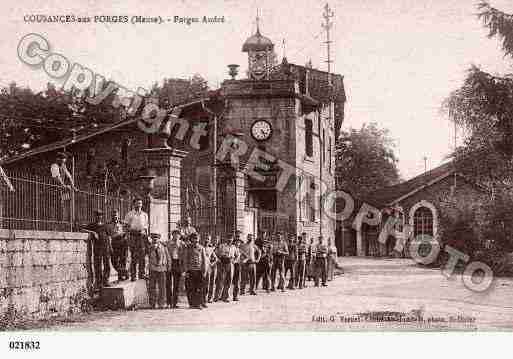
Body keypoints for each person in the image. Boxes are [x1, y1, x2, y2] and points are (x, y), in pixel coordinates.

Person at [82, 210, 111, 289]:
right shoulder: (92, 225)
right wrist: (93, 232)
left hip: (105, 247)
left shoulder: (105, 225)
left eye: (100, 215)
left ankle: (106, 280)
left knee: (107, 265)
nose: (99, 217)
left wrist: (110, 247)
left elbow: (109, 236)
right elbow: (82, 229)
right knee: (97, 265)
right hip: (97, 248)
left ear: (102, 216)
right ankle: (99, 282)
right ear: (95, 216)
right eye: (97, 215)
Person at [181, 233, 208, 309]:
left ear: (199, 239)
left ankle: (199, 303)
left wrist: (204, 271)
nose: (195, 240)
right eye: (194, 238)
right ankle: (192, 304)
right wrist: (186, 271)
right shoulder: (188, 248)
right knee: (190, 288)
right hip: (190, 270)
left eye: (197, 238)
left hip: (199, 270)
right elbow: (185, 260)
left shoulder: (201, 248)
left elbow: (204, 260)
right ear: (191, 239)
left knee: (199, 288)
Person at [124, 199, 149, 281]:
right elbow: (126, 227)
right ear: (134, 204)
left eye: (140, 203)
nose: (139, 205)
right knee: (134, 256)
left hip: (142, 237)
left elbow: (146, 227)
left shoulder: (145, 214)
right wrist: (132, 231)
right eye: (137, 203)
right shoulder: (129, 214)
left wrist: (147, 237)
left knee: (142, 256)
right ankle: (133, 275)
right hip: (133, 236)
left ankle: (142, 274)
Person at [50, 152, 77, 223]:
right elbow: (57, 177)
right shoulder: (54, 166)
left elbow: (69, 176)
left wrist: (73, 186)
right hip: (55, 188)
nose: (63, 163)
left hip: (61, 189)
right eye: (61, 161)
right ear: (58, 159)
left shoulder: (63, 166)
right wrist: (64, 185)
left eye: (64, 161)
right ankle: (58, 221)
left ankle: (64, 220)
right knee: (58, 204)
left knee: (64, 203)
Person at [148, 233, 170, 309]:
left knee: (162, 287)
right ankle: (152, 303)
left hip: (162, 269)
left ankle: (162, 303)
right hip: (153, 269)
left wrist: (168, 267)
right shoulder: (150, 247)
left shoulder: (164, 247)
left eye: (156, 238)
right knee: (152, 287)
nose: (155, 240)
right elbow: (146, 258)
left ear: (159, 239)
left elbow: (168, 257)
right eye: (153, 238)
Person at [106, 210, 128, 281]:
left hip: (122, 242)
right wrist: (110, 246)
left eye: (116, 215)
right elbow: (108, 236)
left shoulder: (122, 223)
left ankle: (121, 276)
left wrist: (125, 235)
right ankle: (125, 272)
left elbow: (128, 229)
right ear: (111, 216)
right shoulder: (108, 224)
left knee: (123, 260)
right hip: (114, 243)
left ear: (118, 215)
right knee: (114, 261)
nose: (115, 217)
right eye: (113, 216)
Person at [165, 229, 185, 308]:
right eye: (174, 234)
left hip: (178, 263)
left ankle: (175, 302)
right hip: (170, 263)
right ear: (172, 235)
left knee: (176, 284)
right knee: (168, 283)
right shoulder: (168, 243)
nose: (176, 236)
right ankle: (168, 302)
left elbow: (184, 255)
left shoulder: (182, 244)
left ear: (180, 236)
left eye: (178, 234)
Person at [214, 235, 236, 302]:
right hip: (223, 264)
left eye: (231, 239)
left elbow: (237, 255)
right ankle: (217, 297)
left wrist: (233, 261)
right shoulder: (222, 246)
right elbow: (216, 253)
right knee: (220, 281)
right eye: (228, 238)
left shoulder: (234, 247)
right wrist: (219, 260)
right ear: (226, 239)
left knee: (229, 281)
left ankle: (225, 297)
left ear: (232, 240)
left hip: (230, 264)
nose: (230, 240)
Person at [203, 234, 218, 305]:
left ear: (210, 241)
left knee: (210, 282)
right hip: (202, 268)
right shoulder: (200, 247)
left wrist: (211, 264)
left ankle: (209, 298)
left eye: (208, 239)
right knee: (205, 283)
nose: (206, 240)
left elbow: (216, 258)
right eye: (205, 239)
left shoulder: (210, 249)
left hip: (209, 267)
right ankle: (204, 297)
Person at [232, 236, 244, 301]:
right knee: (228, 280)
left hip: (238, 265)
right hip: (232, 264)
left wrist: (244, 260)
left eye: (239, 242)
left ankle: (235, 296)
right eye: (236, 242)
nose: (238, 243)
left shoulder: (240, 250)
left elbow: (247, 256)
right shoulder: (232, 248)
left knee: (237, 281)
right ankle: (224, 295)